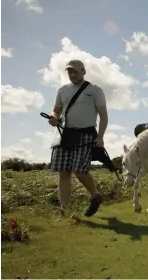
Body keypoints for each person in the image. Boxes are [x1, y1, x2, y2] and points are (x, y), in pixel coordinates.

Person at [47, 59, 108, 218]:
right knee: (64, 173)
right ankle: (64, 211)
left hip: (86, 134)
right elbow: (56, 111)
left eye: (75, 71)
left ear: (83, 71)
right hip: (65, 134)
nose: (72, 74)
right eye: (69, 71)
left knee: (80, 171)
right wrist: (53, 118)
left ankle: (95, 196)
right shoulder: (62, 90)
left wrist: (100, 137)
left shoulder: (95, 90)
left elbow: (103, 116)